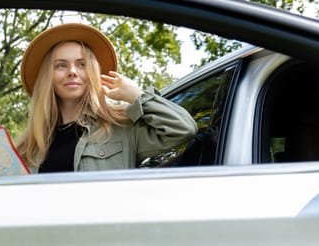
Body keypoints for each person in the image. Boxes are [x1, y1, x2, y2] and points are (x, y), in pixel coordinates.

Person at [17, 23, 197, 173]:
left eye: (82, 64)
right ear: (48, 77)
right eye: (61, 66)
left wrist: (136, 95)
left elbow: (183, 129)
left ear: (93, 73)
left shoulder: (122, 127)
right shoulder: (28, 148)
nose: (72, 72)